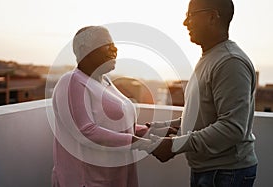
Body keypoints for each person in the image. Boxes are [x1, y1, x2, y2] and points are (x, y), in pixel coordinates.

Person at [150, 0, 258, 186]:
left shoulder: (230, 61)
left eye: (191, 15)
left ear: (212, 17)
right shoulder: (211, 56)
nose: (185, 23)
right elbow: (202, 116)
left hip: (226, 173)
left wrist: (175, 145)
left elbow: (232, 128)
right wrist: (159, 126)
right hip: (210, 170)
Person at [51, 26, 153, 187]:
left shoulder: (104, 80)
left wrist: (151, 131)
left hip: (116, 177)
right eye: (107, 44)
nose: (115, 48)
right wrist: (143, 143)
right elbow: (86, 132)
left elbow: (116, 125)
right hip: (88, 180)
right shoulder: (72, 81)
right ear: (85, 50)